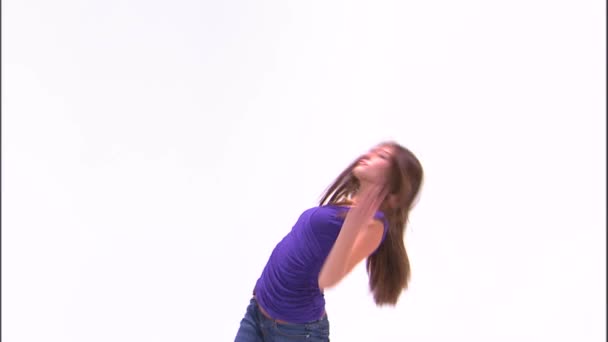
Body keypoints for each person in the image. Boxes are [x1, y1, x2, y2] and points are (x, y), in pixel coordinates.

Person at [234, 141, 424, 341]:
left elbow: (328, 278)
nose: (370, 153)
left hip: (294, 331)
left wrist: (353, 223)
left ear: (395, 192)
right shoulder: (349, 205)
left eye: (382, 156)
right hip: (258, 312)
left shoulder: (374, 225)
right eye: (374, 150)